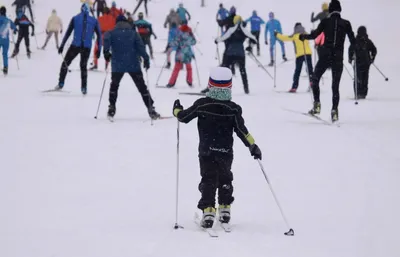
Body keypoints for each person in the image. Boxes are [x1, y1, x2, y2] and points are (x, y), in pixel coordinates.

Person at [172, 66, 262, 228]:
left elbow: (184, 118)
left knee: (208, 179)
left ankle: (208, 210)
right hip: (226, 151)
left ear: (210, 85)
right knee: (225, 178)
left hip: (206, 151)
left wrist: (177, 110)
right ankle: (225, 208)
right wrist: (252, 145)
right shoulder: (233, 109)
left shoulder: (202, 105)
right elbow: (242, 131)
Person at [299, 0, 356, 122]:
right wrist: (355, 51)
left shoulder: (325, 21)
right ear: (340, 10)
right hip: (338, 58)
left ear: (330, 10)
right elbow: (353, 41)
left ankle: (317, 104)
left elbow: (315, 35)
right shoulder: (346, 23)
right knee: (335, 86)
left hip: (325, 56)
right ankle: (334, 111)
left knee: (315, 79)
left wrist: (304, 36)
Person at [103, 15, 160, 120]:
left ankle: (111, 108)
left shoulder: (111, 33)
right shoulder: (134, 34)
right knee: (142, 87)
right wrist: (146, 59)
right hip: (133, 64)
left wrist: (106, 53)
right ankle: (151, 108)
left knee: (114, 86)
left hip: (117, 65)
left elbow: (106, 40)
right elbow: (141, 47)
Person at [55, 3, 102, 95]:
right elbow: (99, 35)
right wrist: (99, 49)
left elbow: (68, 33)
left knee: (65, 63)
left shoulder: (75, 18)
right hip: (86, 47)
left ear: (81, 9)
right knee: (83, 67)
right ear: (89, 11)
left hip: (75, 46)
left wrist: (62, 45)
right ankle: (84, 88)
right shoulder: (94, 21)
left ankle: (61, 83)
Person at [214, 16, 257, 94]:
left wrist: (217, 40)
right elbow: (254, 39)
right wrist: (250, 46)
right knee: (242, 71)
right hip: (240, 54)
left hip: (230, 53)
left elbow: (223, 37)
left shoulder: (231, 29)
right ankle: (246, 89)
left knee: (225, 70)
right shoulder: (244, 30)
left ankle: (223, 88)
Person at [276, 23, 313, 93]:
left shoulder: (294, 35)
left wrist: (277, 34)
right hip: (308, 53)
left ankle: (294, 87)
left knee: (297, 71)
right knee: (310, 69)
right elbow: (313, 36)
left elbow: (284, 38)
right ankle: (312, 82)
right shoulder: (306, 34)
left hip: (299, 55)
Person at [348, 26, 377, 99]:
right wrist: (350, 58)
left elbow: (374, 50)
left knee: (361, 78)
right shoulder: (361, 41)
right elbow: (350, 50)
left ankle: (361, 94)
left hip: (363, 63)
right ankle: (360, 93)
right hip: (362, 62)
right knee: (362, 79)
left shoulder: (365, 41)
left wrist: (372, 58)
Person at [0, 6, 17, 75]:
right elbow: (14, 27)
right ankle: (5, 68)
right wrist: (15, 30)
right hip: (6, 40)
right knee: (5, 54)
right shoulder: (8, 20)